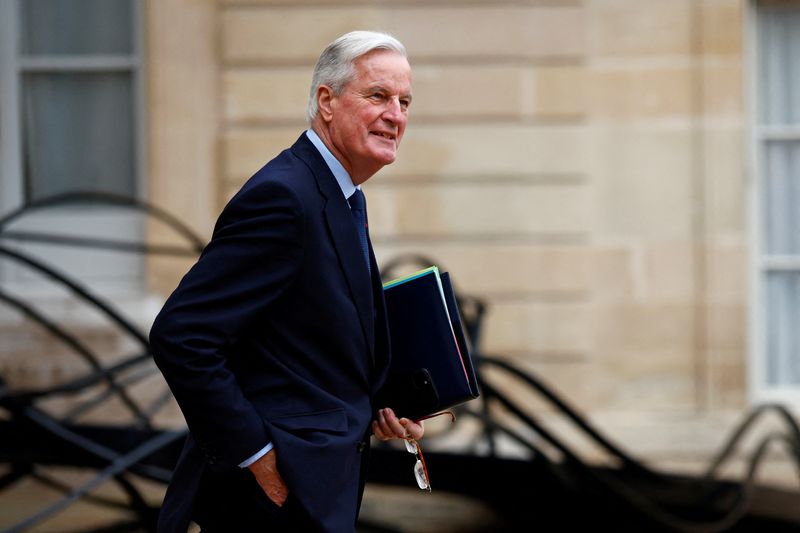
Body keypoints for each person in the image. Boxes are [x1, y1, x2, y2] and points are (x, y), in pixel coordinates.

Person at [148, 30, 423, 533]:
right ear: (327, 101)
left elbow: (306, 339)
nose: (396, 115)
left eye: (405, 101)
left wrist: (387, 401)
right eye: (378, 96)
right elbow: (181, 335)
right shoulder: (283, 197)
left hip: (318, 487)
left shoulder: (341, 194)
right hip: (273, 496)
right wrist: (257, 457)